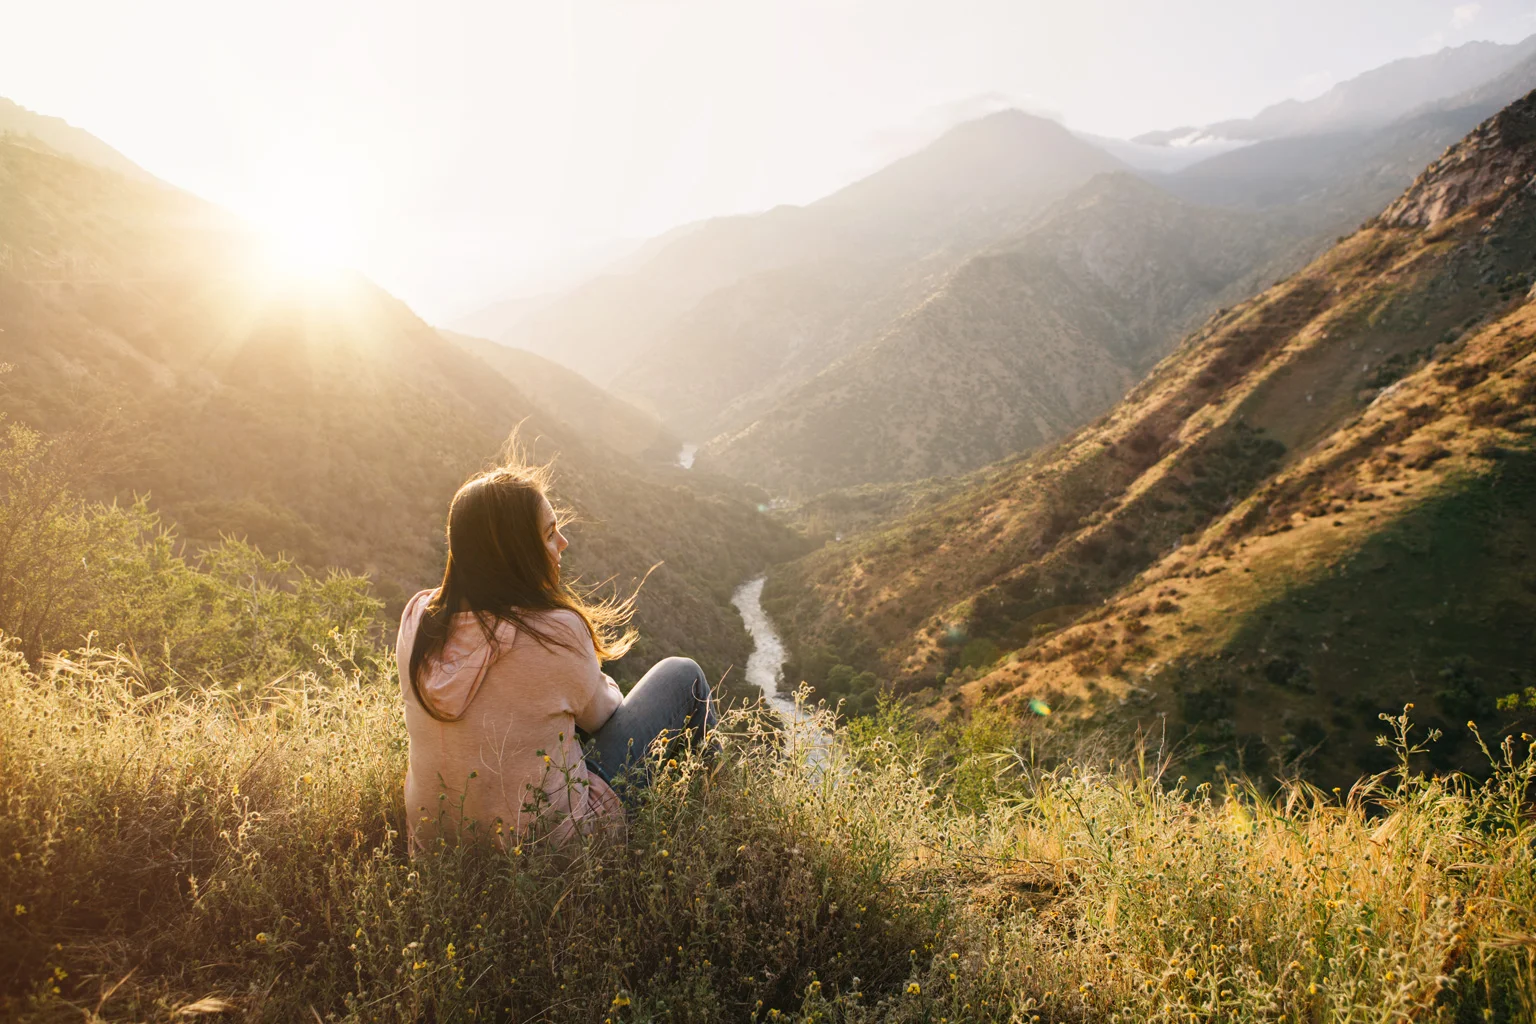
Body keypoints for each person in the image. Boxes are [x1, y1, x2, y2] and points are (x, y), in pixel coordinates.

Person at [396, 458, 715, 849]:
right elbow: (600, 716)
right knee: (683, 675)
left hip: (439, 853)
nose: (563, 543)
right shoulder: (554, 631)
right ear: (517, 554)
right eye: (549, 534)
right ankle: (722, 811)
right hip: (554, 856)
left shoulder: (417, 620)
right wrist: (595, 681)